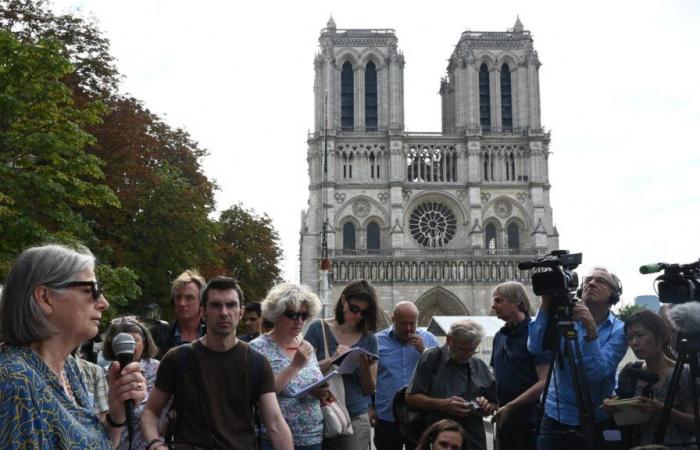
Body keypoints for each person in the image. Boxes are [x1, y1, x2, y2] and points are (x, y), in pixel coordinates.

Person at [0, 244, 146, 448]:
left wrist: (116, 414)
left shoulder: (68, 369)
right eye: (91, 289)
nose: (104, 302)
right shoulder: (16, 381)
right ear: (45, 298)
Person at [141, 276, 293, 450]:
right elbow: (150, 412)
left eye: (231, 305)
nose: (224, 312)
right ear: (204, 312)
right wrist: (155, 444)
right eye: (215, 305)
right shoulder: (177, 358)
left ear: (241, 311)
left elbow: (275, 423)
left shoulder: (257, 362)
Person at [528, 267, 628, 450]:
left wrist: (590, 328)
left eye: (601, 281)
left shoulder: (620, 331)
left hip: (595, 418)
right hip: (555, 414)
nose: (591, 283)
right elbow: (535, 347)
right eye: (588, 279)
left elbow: (596, 373)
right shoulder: (562, 318)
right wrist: (545, 306)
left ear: (613, 295)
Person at [604, 310, 697, 449]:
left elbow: (695, 423)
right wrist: (615, 408)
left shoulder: (683, 373)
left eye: (640, 335)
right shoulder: (631, 371)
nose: (634, 342)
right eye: (629, 337)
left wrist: (661, 409)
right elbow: (625, 419)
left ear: (662, 336)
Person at [305, 279, 379, 450]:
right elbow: (302, 373)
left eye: (364, 312)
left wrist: (365, 367)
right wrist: (333, 359)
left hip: (355, 416)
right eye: (354, 309)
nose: (358, 315)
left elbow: (369, 389)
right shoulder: (318, 328)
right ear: (344, 301)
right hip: (320, 411)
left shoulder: (369, 339)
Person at [250, 283, 325, 450]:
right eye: (292, 314)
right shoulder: (258, 348)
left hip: (314, 437)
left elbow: (314, 380)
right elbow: (258, 392)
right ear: (276, 313)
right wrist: (295, 365)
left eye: (303, 315)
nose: (299, 321)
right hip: (274, 440)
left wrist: (320, 391)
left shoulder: (306, 346)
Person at [406, 320, 498, 450]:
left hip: (473, 439)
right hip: (439, 438)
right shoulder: (432, 358)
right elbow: (411, 397)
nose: (467, 354)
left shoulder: (479, 365)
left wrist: (486, 406)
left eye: (472, 350)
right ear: (449, 340)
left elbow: (494, 403)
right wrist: (443, 405)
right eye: (462, 349)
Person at [489, 282, 550, 450]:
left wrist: (511, 406)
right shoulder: (499, 336)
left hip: (529, 420)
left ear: (517, 301)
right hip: (505, 418)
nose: (493, 306)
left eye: (498, 301)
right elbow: (496, 377)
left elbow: (545, 380)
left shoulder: (535, 333)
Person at [371, 301, 440, 450]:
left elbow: (441, 372)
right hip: (387, 416)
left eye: (412, 324)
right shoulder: (376, 341)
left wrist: (424, 351)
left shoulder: (429, 339)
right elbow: (368, 378)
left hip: (420, 417)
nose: (408, 329)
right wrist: (369, 406)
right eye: (403, 324)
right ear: (393, 319)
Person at [102, 315, 161, 450]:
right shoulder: (105, 374)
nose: (131, 346)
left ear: (145, 343)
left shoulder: (159, 370)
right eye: (123, 341)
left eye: (134, 341)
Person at [150, 270, 207, 359]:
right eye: (178, 297)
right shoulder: (158, 335)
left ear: (202, 302)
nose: (182, 303)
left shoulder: (214, 337)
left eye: (189, 298)